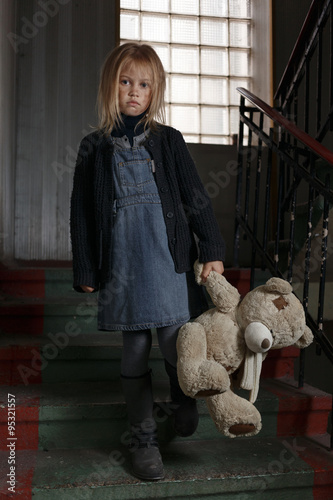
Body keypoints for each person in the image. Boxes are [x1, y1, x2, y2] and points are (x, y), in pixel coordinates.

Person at [70, 42, 225, 481]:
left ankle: (183, 394)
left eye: (143, 84)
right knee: (136, 349)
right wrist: (85, 269)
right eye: (125, 82)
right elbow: (81, 213)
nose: (133, 91)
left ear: (155, 91)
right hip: (123, 267)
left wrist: (210, 248)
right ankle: (142, 440)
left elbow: (196, 198)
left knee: (175, 340)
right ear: (110, 86)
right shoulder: (93, 148)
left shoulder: (169, 141)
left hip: (168, 260)